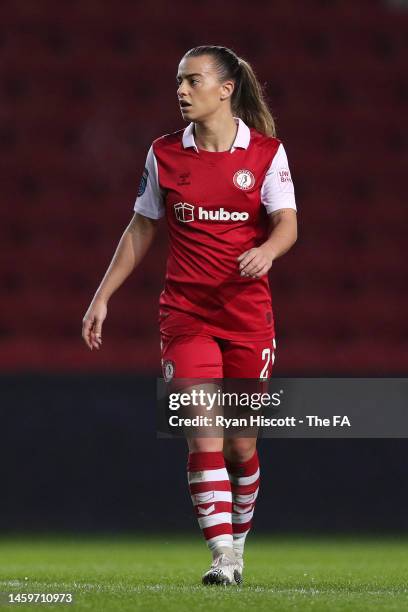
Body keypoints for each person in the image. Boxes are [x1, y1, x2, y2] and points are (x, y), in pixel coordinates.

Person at [82, 45, 297, 586]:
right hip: (186, 316)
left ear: (225, 89)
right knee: (203, 432)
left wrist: (268, 251)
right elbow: (141, 227)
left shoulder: (267, 153)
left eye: (192, 81)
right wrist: (101, 295)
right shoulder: (164, 153)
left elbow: (288, 224)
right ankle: (222, 558)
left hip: (248, 315)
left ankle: (239, 546)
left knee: (242, 443)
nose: (180, 91)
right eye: (178, 81)